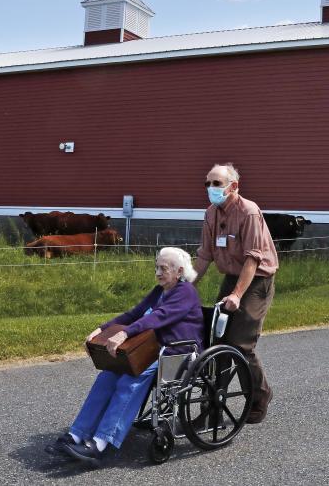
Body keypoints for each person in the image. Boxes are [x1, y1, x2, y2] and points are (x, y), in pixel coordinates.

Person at [49, 247, 204, 466]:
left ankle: (101, 442)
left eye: (164, 268)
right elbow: (134, 314)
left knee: (130, 379)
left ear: (179, 271)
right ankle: (76, 435)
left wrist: (125, 333)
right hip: (150, 349)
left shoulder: (185, 292)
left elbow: (159, 317)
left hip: (176, 352)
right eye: (156, 267)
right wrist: (102, 329)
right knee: (108, 374)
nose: (158, 272)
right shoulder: (160, 290)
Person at [193, 163, 278, 424]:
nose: (211, 189)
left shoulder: (249, 212)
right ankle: (213, 407)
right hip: (233, 276)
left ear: (234, 186)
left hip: (257, 280)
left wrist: (237, 295)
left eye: (217, 184)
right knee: (216, 342)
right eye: (207, 183)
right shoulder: (210, 214)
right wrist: (184, 287)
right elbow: (205, 255)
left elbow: (253, 258)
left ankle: (260, 396)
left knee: (240, 343)